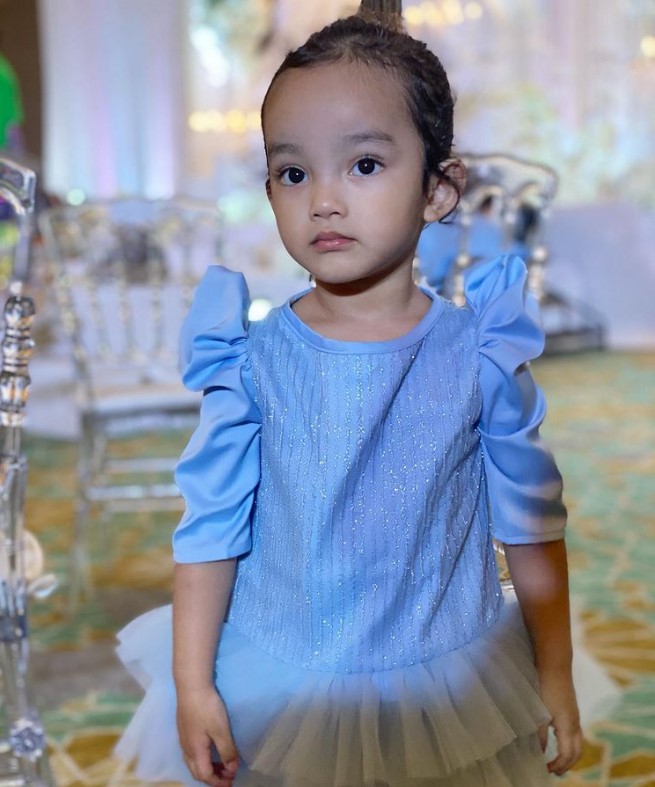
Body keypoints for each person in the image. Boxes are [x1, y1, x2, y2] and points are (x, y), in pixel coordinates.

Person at [115, 2, 583, 784]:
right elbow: (209, 534)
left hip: (445, 679)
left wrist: (555, 669)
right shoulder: (252, 361)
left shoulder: (480, 355)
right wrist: (193, 685)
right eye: (292, 172)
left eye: (363, 164)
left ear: (439, 189)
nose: (322, 200)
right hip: (284, 677)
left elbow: (532, 527)